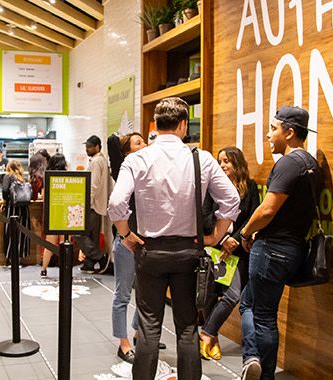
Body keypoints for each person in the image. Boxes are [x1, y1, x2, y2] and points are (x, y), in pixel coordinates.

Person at [109, 97, 240, 380]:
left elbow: (116, 204)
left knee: (148, 327)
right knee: (187, 327)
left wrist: (126, 235)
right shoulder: (201, 159)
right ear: (183, 125)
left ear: (156, 125)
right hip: (188, 252)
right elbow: (231, 200)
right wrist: (216, 235)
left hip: (149, 251)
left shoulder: (137, 159)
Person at [237, 106, 322, 380]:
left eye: (273, 129)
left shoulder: (288, 163)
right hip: (293, 249)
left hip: (272, 249)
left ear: (290, 132)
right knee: (252, 306)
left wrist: (245, 233)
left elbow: (267, 210)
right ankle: (254, 362)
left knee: (259, 314)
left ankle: (257, 365)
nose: (268, 135)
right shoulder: (311, 164)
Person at [199, 147, 260, 360]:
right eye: (220, 161)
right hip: (215, 249)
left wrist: (238, 237)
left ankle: (207, 332)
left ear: (237, 163)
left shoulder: (250, 188)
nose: (223, 165)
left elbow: (254, 215)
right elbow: (205, 216)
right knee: (210, 295)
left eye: (227, 161)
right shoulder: (211, 188)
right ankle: (212, 340)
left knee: (233, 295)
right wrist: (223, 238)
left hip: (239, 251)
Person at [112, 132, 147, 364]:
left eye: (144, 141)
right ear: (125, 152)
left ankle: (137, 333)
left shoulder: (147, 171)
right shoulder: (123, 170)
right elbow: (112, 142)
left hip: (145, 242)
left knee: (144, 295)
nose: (144, 145)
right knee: (123, 294)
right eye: (138, 142)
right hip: (126, 242)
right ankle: (123, 343)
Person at [77, 135, 111, 274]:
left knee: (78, 233)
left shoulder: (97, 161)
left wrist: (87, 202)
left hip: (93, 204)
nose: (87, 149)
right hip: (98, 204)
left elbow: (93, 184)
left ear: (97, 146)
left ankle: (100, 257)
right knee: (93, 236)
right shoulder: (101, 160)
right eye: (86, 146)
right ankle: (90, 264)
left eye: (90, 146)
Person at [40, 153, 67, 276]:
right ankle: (65, 269)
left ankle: (44, 269)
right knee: (64, 242)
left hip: (52, 211)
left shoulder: (47, 176)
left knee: (50, 243)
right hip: (65, 210)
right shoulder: (68, 176)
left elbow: (44, 196)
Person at [1, 160, 31, 265]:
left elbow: (5, 192)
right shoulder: (24, 178)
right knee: (22, 233)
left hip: (12, 209)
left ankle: (11, 259)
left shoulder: (8, 177)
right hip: (24, 210)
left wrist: (5, 200)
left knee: (11, 232)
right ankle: (20, 258)